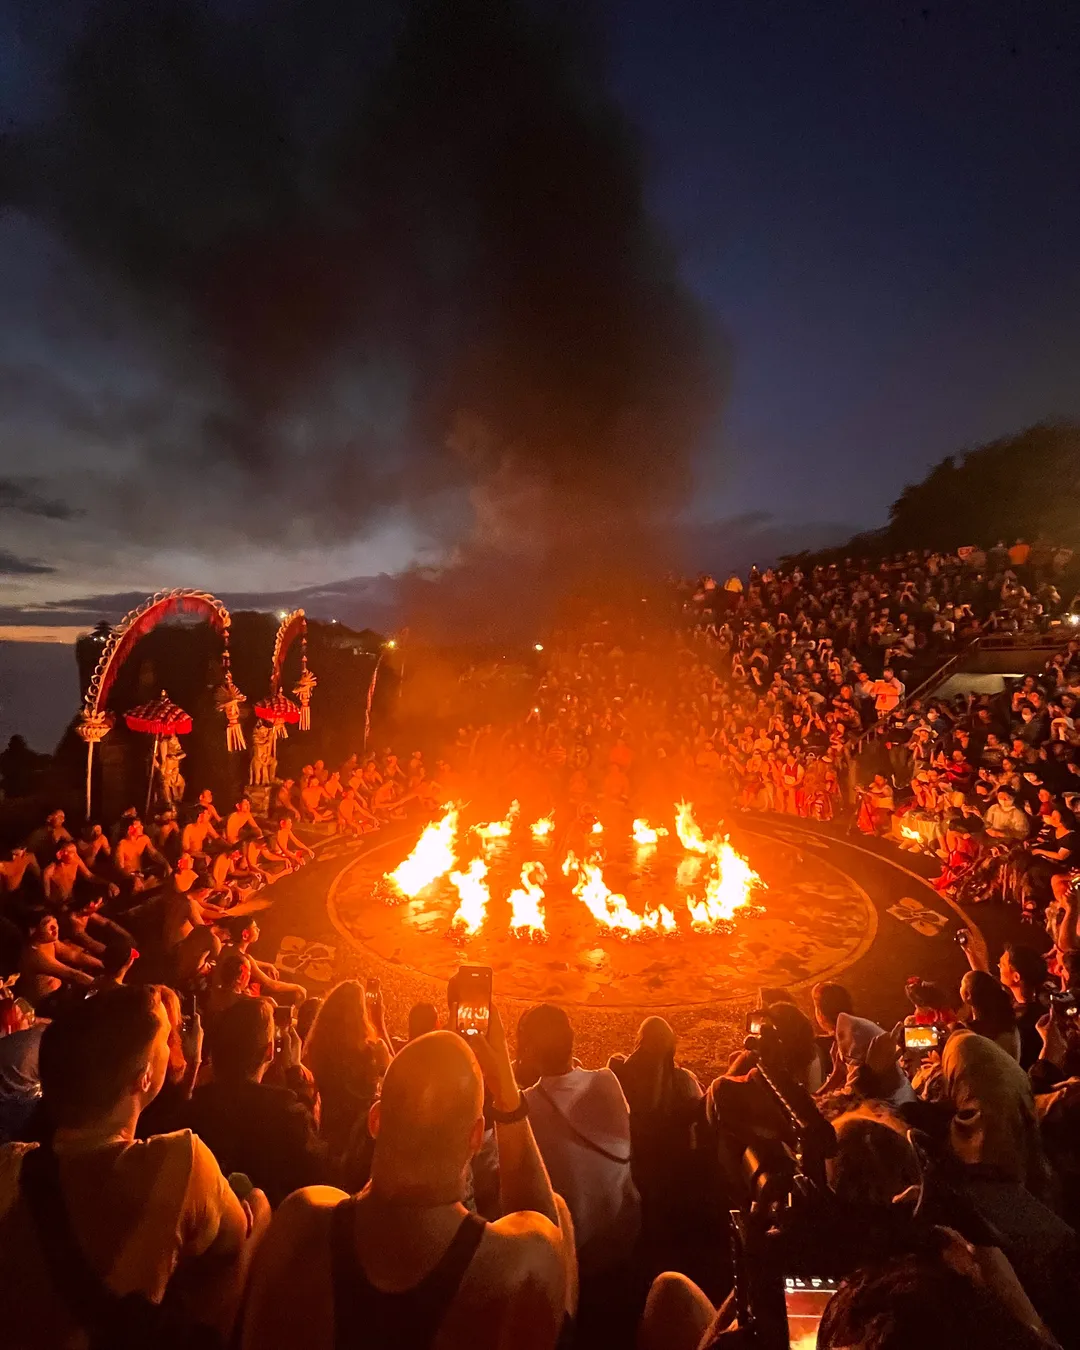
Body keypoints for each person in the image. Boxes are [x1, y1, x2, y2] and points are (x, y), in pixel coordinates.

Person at [241, 1014, 573, 1350]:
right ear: (475, 1137)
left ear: (376, 1120)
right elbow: (545, 1230)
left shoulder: (302, 1220)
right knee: (559, 1214)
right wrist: (507, 1095)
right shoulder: (515, 1264)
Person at [0, 985, 269, 1347]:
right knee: (258, 1212)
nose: (173, 1041)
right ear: (143, 1075)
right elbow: (233, 1241)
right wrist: (259, 1209)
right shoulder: (182, 1160)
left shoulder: (9, 1163)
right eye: (166, 1037)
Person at [517, 1002, 640, 1277]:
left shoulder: (526, 1106)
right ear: (571, 1042)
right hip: (623, 1233)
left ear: (529, 1052)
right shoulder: (608, 1081)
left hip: (573, 1252)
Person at [186, 997, 328, 1208]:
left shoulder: (191, 1106)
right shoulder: (286, 1112)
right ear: (269, 1052)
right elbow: (319, 1172)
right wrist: (295, 1073)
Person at [303, 981, 392, 1162]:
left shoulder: (316, 1047)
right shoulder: (371, 1051)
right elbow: (396, 1074)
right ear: (361, 1014)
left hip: (328, 1135)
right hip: (361, 1141)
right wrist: (379, 1023)